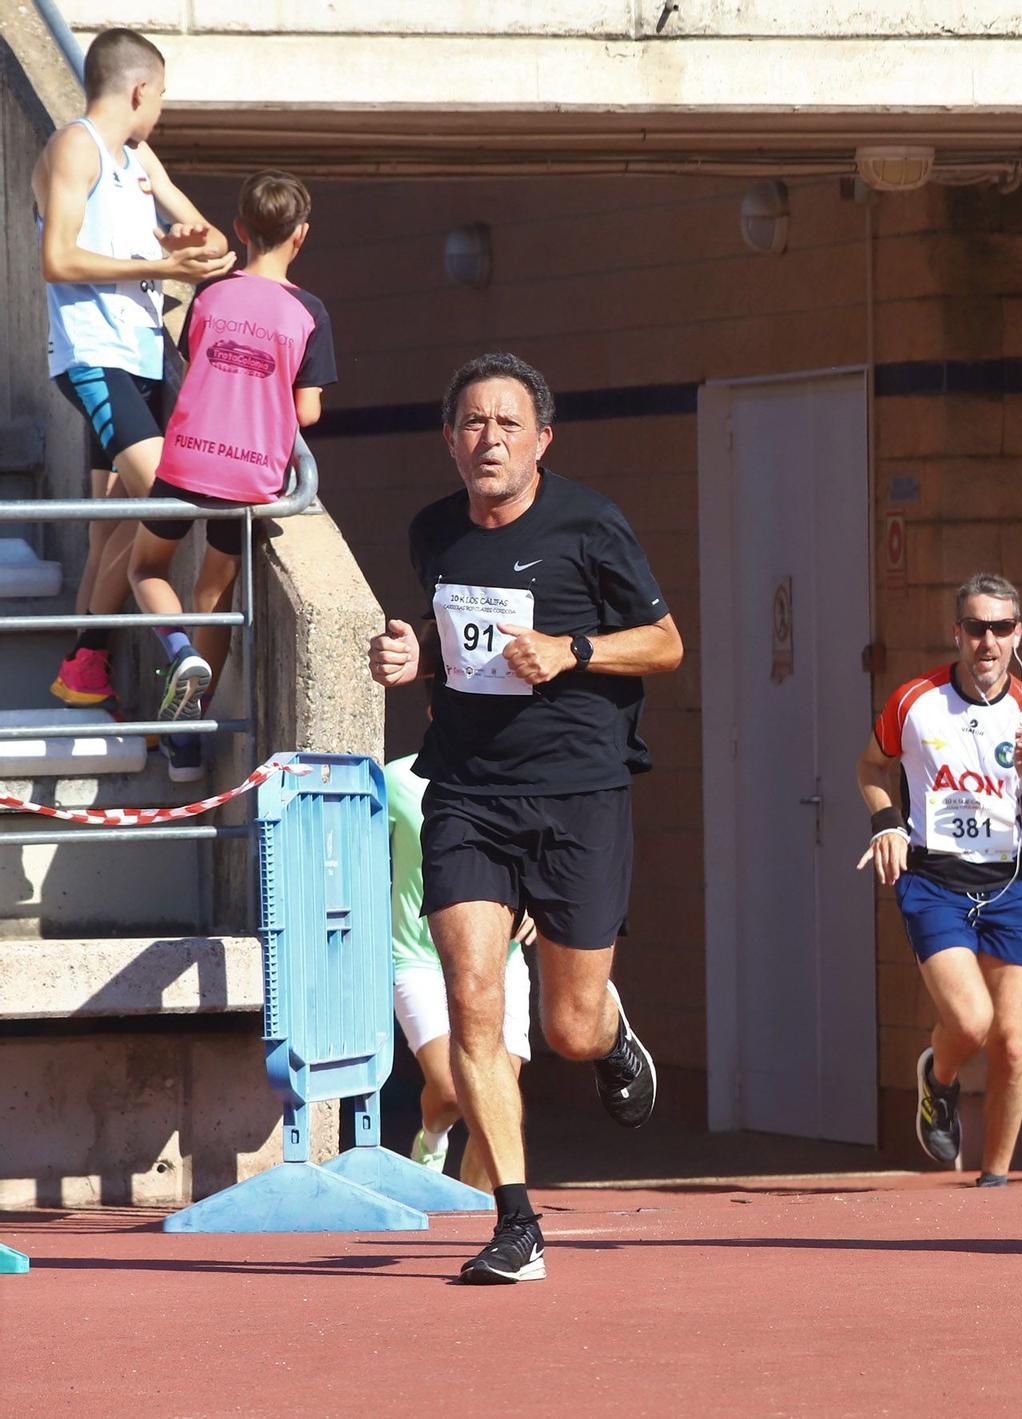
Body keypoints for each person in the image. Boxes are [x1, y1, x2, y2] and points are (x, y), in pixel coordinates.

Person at [368, 352, 683, 1284]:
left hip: (580, 789)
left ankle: (611, 1036)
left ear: (542, 439)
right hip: (466, 788)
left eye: (508, 424)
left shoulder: (591, 524)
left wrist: (572, 648)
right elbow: (450, 640)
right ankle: (514, 1222)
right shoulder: (434, 532)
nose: (489, 439)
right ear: (449, 440)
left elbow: (666, 644)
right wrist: (410, 650)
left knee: (568, 1025)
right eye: (472, 423)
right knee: (471, 996)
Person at [856, 573, 1022, 1186]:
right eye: (977, 628)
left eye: (1001, 628)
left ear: (1019, 635)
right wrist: (887, 822)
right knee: (972, 1024)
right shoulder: (914, 701)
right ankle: (940, 1078)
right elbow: (872, 766)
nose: (988, 642)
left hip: (1010, 887)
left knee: (1013, 1043)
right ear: (957, 633)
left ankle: (996, 1180)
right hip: (933, 882)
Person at [34, 27, 234, 710]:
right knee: (169, 499)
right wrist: (160, 264)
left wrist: (188, 243)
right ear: (141, 88)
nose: (161, 111)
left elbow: (217, 248)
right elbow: (57, 258)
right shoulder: (74, 146)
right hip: (96, 353)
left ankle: (83, 667)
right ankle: (178, 651)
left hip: (145, 354)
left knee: (112, 530)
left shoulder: (139, 154)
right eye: (163, 98)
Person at [129, 170, 334, 782]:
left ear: (241, 229)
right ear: (301, 235)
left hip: (188, 456)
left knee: (144, 567)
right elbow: (306, 411)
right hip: (250, 479)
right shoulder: (309, 311)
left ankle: (178, 650)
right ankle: (188, 739)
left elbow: (197, 362)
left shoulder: (212, 295)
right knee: (213, 598)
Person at [386, 751, 531, 1192]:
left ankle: (488, 1217)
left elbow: (547, 851)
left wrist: (540, 905)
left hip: (499, 961)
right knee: (450, 1092)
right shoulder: (396, 780)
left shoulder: (523, 771)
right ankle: (430, 1141)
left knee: (499, 1107)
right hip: (418, 959)